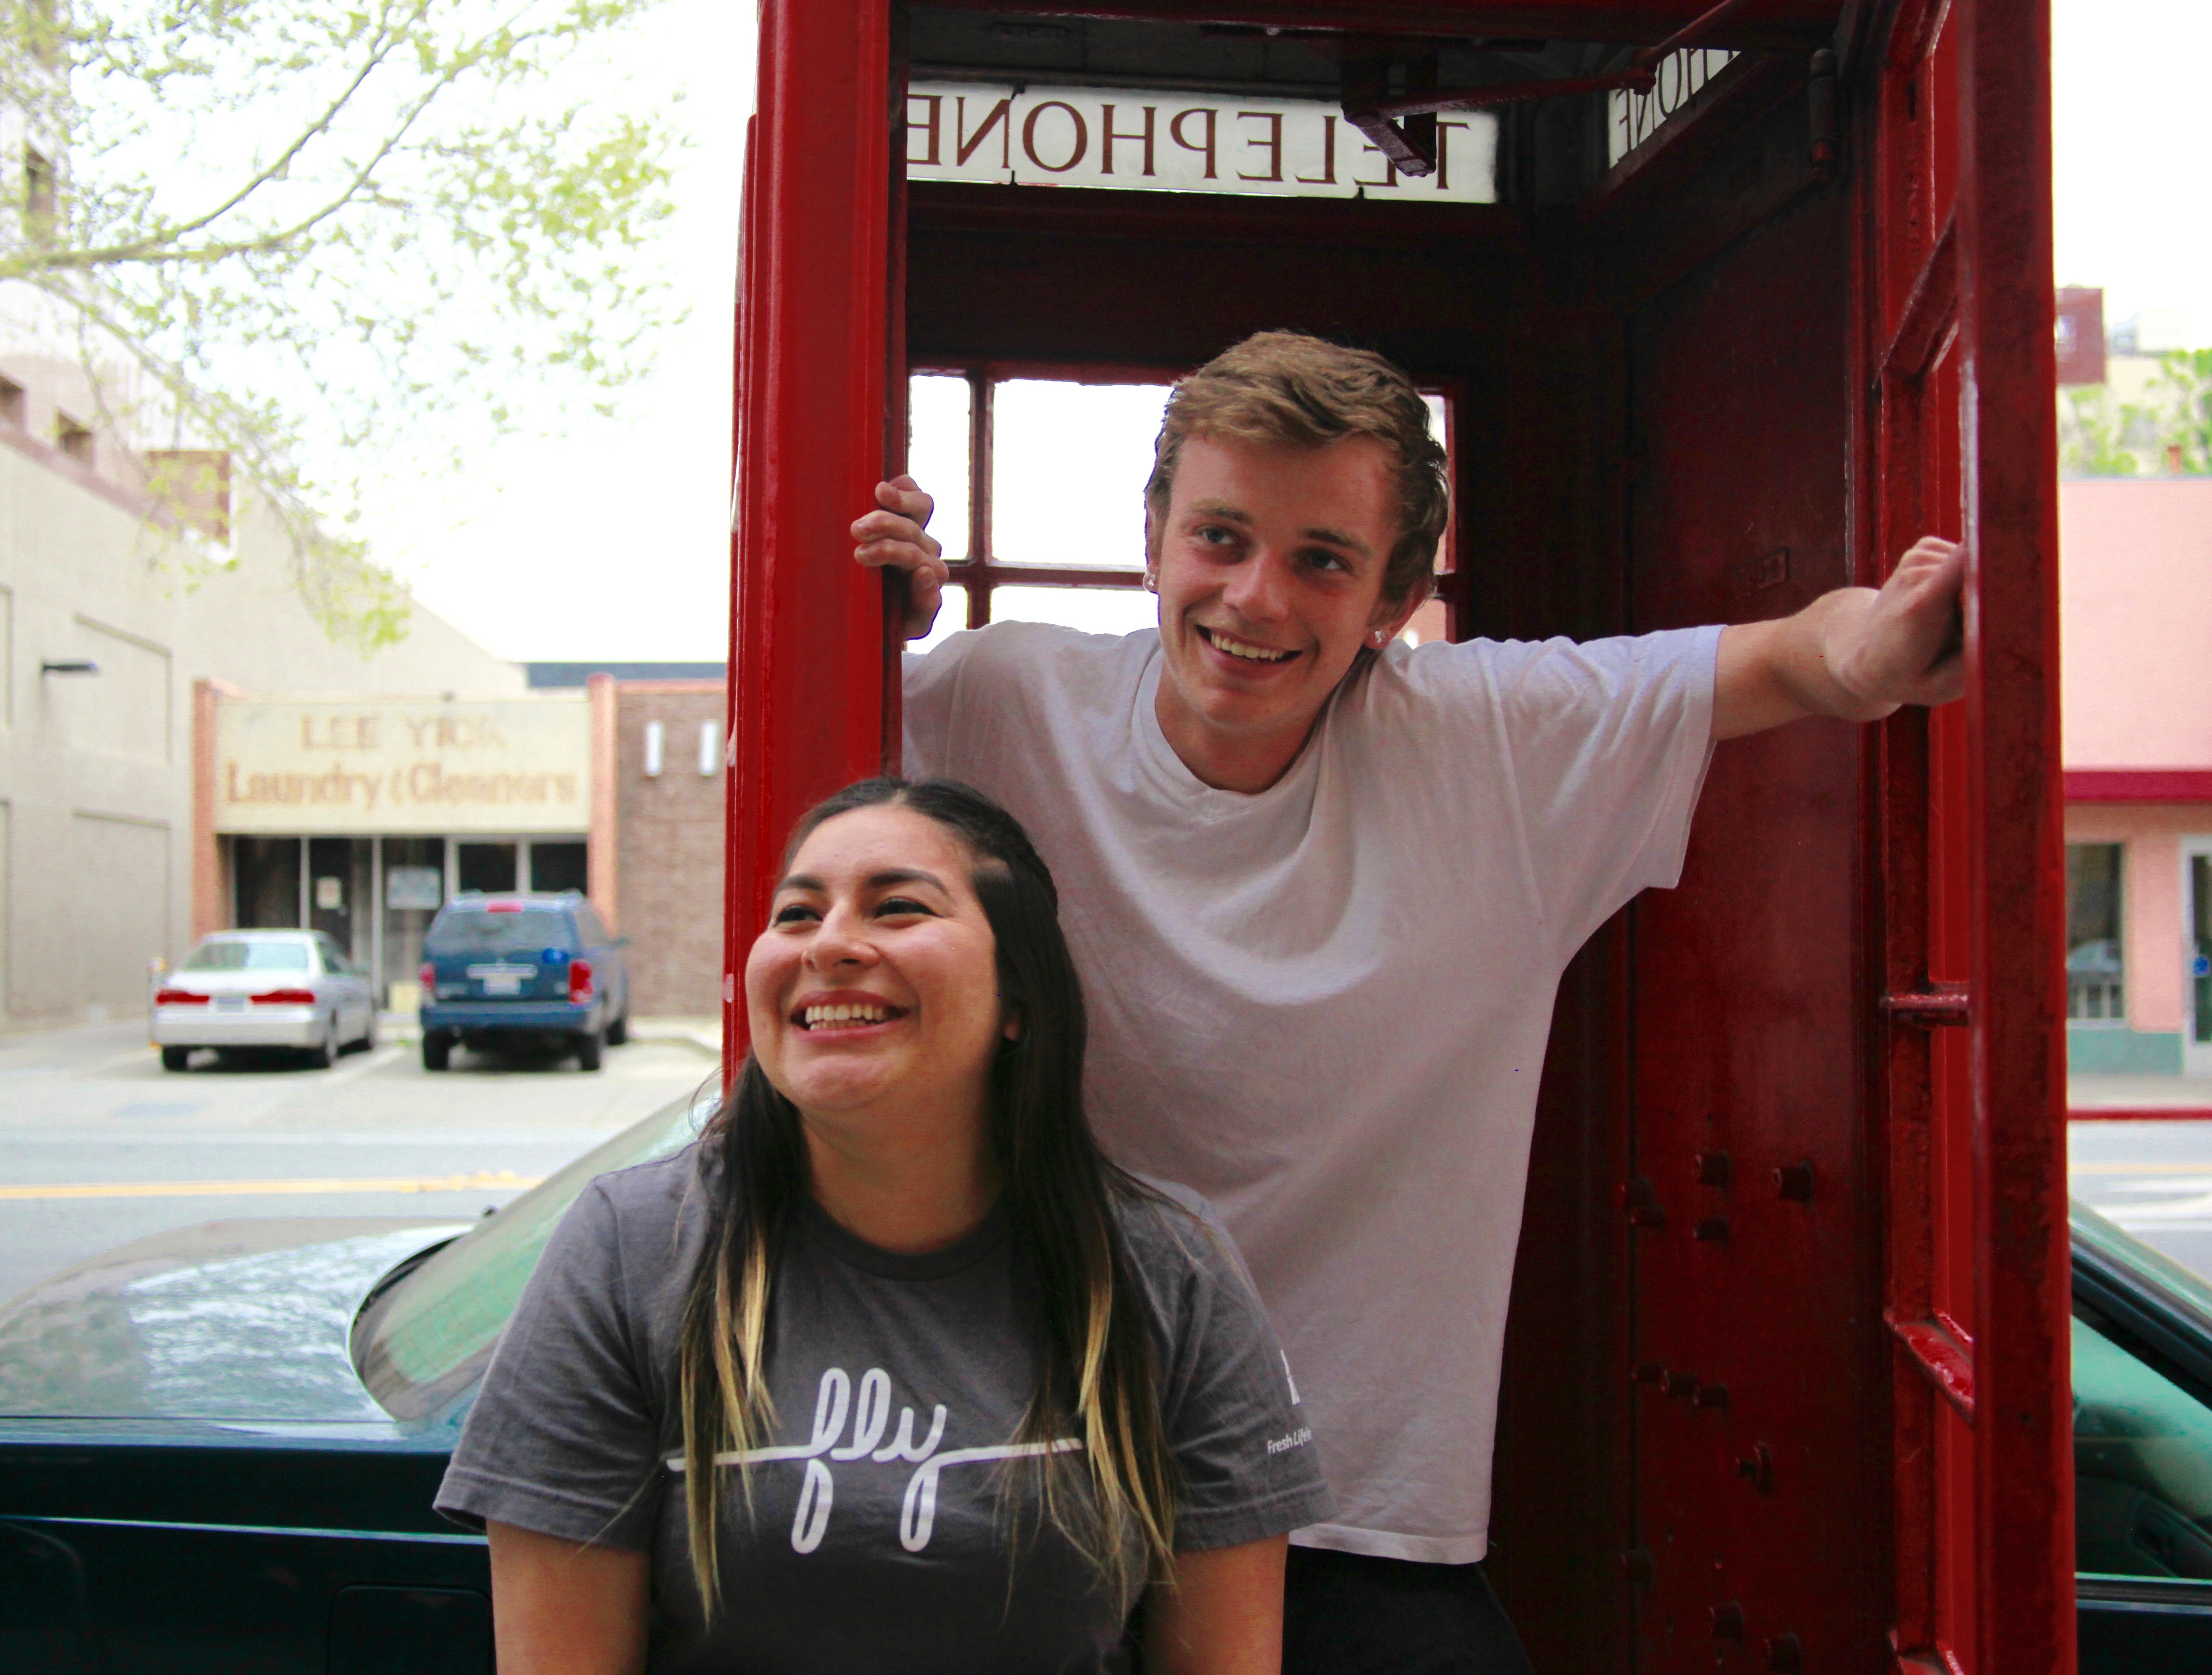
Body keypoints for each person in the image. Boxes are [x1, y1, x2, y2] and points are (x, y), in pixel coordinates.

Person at [852, 330, 1969, 1673]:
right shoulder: (1001, 697)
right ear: (1152, 537)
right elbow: (808, 845)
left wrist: (1892, 645)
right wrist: (868, 620)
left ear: (1392, 601)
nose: (1255, 599)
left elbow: (1798, 661)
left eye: (1321, 560)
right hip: (1025, 1476)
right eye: (1219, 537)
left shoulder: (1487, 745)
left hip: (1353, 1510)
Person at [435, 777, 1332, 1674]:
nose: (829, 944)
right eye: (796, 914)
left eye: (898, 907)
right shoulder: (626, 1250)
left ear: (1020, 999)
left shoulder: (1168, 1271)